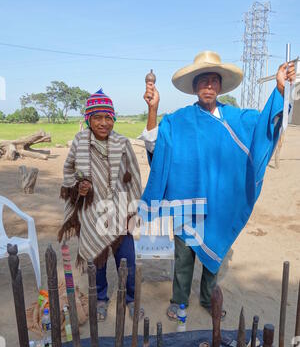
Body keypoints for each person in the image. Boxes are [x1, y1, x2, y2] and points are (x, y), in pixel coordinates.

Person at [140, 51, 296, 321]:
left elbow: (263, 127)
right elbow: (156, 146)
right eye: (203, 81)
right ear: (194, 87)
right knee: (184, 255)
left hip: (219, 202)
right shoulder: (178, 121)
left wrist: (280, 89)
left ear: (220, 86)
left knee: (215, 251)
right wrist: (153, 110)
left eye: (213, 81)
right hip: (186, 203)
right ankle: (180, 301)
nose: (208, 86)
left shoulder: (236, 118)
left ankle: (206, 298)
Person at [58, 88, 143, 321]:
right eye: (97, 118)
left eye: (108, 118)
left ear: (113, 119)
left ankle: (131, 299)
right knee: (98, 261)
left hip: (120, 211)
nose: (103, 123)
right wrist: (79, 188)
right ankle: (102, 299)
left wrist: (131, 212)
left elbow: (134, 177)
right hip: (91, 214)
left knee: (127, 260)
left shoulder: (122, 143)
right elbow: (68, 172)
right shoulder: (80, 141)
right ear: (88, 119)